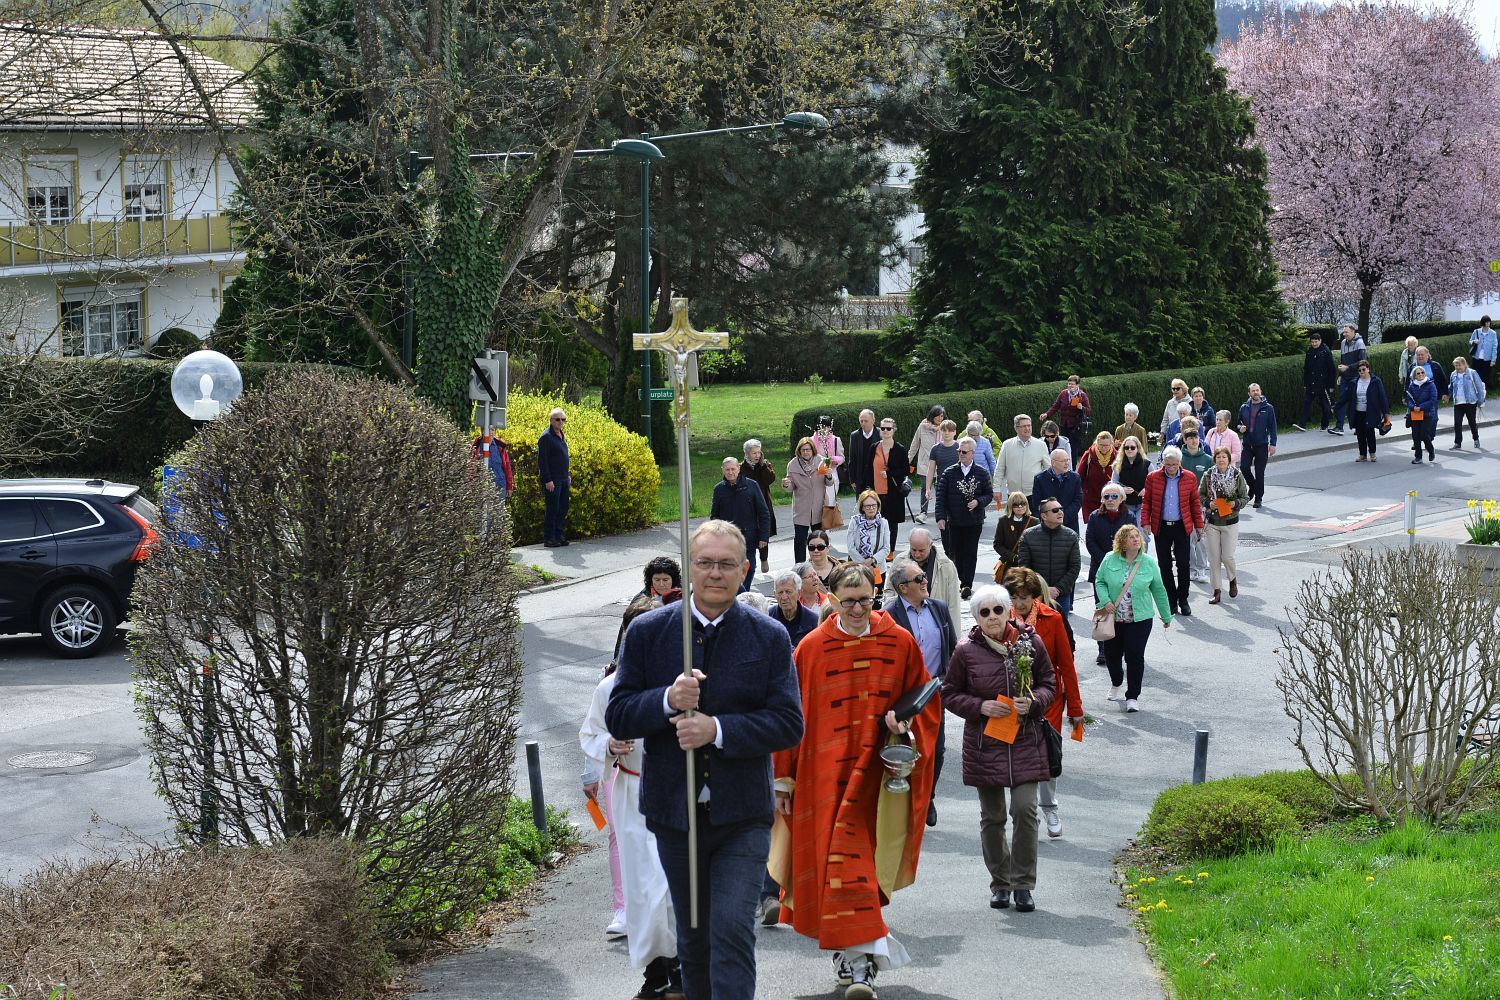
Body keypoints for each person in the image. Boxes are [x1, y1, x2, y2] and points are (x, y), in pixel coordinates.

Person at [606, 521, 804, 1000]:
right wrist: (667, 700)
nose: (716, 573)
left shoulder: (768, 635)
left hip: (742, 814)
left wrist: (717, 730)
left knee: (731, 930)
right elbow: (619, 714)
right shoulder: (649, 632)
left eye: (726, 564)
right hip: (675, 815)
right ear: (690, 568)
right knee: (693, 940)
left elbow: (787, 723)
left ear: (744, 569)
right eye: (706, 562)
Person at [772, 563, 941, 999]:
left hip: (878, 780)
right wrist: (783, 780)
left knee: (856, 866)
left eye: (865, 599)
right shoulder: (810, 648)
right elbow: (790, 714)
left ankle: (859, 961)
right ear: (831, 599)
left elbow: (926, 701)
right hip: (822, 777)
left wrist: (905, 725)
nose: (857, 609)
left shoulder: (899, 642)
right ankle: (856, 957)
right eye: (848, 601)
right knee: (835, 868)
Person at [581, 594, 683, 998]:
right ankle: (655, 972)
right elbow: (590, 732)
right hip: (631, 793)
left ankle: (680, 966)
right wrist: (609, 744)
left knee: (669, 885)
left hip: (676, 790)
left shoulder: (681, 685)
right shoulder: (610, 687)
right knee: (641, 888)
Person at [941, 585, 1055, 914]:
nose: (992, 617)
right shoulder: (965, 651)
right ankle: (1001, 882)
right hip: (985, 744)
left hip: (1025, 740)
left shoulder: (1029, 642)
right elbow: (949, 694)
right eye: (984, 612)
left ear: (1008, 611)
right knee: (992, 818)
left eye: (998, 610)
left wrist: (1033, 702)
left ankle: (1023, 884)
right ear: (977, 617)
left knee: (1025, 810)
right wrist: (981, 706)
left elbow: (1049, 683)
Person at [1002, 567, 1082, 839]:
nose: (1019, 603)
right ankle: (1024, 810)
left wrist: (1076, 708)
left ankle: (1049, 808)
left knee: (1047, 755)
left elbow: (1067, 666)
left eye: (1024, 597)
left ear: (1034, 596)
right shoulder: (1001, 619)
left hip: (1048, 699)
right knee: (1016, 755)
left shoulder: (1053, 618)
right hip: (1013, 698)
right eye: (1014, 597)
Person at [886, 559, 958, 827]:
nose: (925, 580)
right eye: (919, 579)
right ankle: (906, 798)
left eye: (924, 576)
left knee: (936, 750)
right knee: (905, 748)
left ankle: (928, 796)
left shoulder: (938, 608)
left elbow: (951, 647)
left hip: (935, 691)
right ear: (903, 588)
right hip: (904, 695)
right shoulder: (889, 614)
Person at [1092, 524, 1172, 713]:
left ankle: (1133, 696)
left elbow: (1159, 590)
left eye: (1137, 536)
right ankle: (1116, 681)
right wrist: (1106, 601)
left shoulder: (1148, 562)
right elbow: (1099, 581)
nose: (1136, 539)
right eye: (1131, 537)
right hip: (1114, 619)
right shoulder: (1109, 558)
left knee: (1134, 656)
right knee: (1112, 656)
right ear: (1122, 541)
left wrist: (1166, 615)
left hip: (1140, 619)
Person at [1139, 445, 1204, 617]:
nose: (1171, 468)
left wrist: (1199, 525)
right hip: (1161, 527)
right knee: (1164, 565)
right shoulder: (1153, 477)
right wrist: (1145, 522)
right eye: (1168, 464)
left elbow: (1195, 503)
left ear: (1179, 463)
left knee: (1183, 564)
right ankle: (1171, 600)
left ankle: (1183, 599)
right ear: (1163, 463)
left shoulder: (1189, 477)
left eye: (1174, 464)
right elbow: (1147, 501)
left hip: (1182, 526)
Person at [1013, 496, 1082, 647]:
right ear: (1044, 516)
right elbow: (1024, 567)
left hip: (1061, 595)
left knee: (1060, 633)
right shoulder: (1028, 535)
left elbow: (1075, 567)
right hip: (1035, 594)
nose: (1061, 512)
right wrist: (1042, 589)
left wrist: (1058, 589)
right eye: (1055, 510)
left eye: (1061, 509)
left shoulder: (1071, 536)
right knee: (1033, 634)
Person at [934, 437, 994, 600]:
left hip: (974, 521)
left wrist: (978, 502)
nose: (961, 454)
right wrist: (940, 517)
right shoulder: (949, 472)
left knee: (970, 552)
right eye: (959, 451)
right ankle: (961, 578)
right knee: (956, 552)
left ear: (973, 453)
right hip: (954, 521)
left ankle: (966, 584)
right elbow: (941, 497)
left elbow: (988, 494)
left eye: (964, 452)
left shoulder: (981, 472)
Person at [1083, 484, 1136, 666]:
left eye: (1114, 496)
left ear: (1121, 499)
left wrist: (1119, 561)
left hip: (1124, 571)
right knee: (1103, 608)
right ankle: (1103, 649)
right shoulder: (1094, 517)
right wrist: (1107, 561)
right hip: (1101, 571)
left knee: (1123, 610)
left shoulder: (1129, 517)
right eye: (1106, 497)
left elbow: (1133, 541)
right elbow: (1090, 541)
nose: (1110, 500)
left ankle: (1123, 648)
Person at [885, 527, 962, 636]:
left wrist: (955, 636)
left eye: (921, 551)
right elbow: (889, 590)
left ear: (930, 545)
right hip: (905, 622)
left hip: (934, 624)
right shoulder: (900, 560)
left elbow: (953, 604)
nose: (917, 554)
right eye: (913, 550)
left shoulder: (946, 565)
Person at [710, 457, 772, 592]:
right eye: (727, 469)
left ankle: (744, 594)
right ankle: (736, 595)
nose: (730, 472)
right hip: (728, 539)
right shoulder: (719, 489)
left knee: (750, 568)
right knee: (731, 570)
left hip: (749, 538)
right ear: (723, 470)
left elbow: (763, 513)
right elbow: (714, 517)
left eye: (733, 469)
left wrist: (764, 537)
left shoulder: (752, 485)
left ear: (738, 468)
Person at [1198, 447, 1250, 605]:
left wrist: (1236, 503)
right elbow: (1200, 494)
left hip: (1230, 522)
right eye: (1218, 457)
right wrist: (1208, 503)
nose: (1221, 460)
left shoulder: (1236, 475)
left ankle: (1232, 579)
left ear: (1228, 459)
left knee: (1227, 557)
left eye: (1224, 457)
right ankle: (1217, 591)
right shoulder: (1208, 475)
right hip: (1212, 522)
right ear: (1214, 459)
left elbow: (1245, 497)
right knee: (1213, 559)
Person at [785, 437, 834, 563]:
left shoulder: (821, 461)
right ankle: (800, 566)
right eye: (803, 450)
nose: (806, 452)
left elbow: (829, 483)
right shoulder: (793, 464)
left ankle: (821, 563)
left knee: (819, 540)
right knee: (800, 539)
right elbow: (790, 487)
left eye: (808, 449)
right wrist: (786, 484)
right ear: (799, 451)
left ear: (813, 450)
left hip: (819, 508)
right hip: (801, 509)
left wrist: (829, 476)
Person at [871, 416, 910, 552]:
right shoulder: (874, 447)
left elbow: (906, 470)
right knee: (876, 523)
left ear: (894, 430)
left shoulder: (899, 449)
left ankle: (890, 550)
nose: (885, 431)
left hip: (893, 492)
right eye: (883, 428)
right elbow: (868, 469)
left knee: (891, 523)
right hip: (876, 492)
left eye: (889, 428)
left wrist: (890, 473)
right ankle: (877, 549)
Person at [1236, 383, 1277, 509]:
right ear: (1249, 393)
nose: (1255, 392)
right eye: (1253, 391)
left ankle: (1258, 498)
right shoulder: (1244, 407)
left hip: (1261, 444)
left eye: (1257, 390)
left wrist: (1273, 444)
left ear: (1260, 391)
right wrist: (1240, 428)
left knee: (1259, 473)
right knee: (1244, 467)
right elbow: (1238, 423)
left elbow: (1273, 426)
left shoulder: (1268, 408)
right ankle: (1253, 487)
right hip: (1248, 444)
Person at [847, 490, 893, 600]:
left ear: (878, 506)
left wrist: (872, 560)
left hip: (878, 569)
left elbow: (886, 548)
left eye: (873, 505)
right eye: (867, 506)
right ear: (862, 507)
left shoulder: (883, 523)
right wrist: (864, 563)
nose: (871, 508)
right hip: (857, 569)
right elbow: (851, 547)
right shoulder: (854, 522)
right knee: (858, 600)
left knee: (876, 602)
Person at [741, 439, 779, 573]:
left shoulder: (765, 464)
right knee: (748, 534)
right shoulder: (741, 468)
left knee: (764, 533)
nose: (757, 455)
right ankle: (748, 562)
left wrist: (763, 466)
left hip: (763, 504)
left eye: (759, 452)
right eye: (754, 453)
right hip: (746, 506)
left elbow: (770, 480)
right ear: (747, 453)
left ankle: (764, 559)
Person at [994, 413, 1049, 502]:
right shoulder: (1007, 445)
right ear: (1016, 428)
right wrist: (996, 488)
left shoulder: (1041, 445)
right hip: (1013, 494)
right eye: (1023, 426)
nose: (1027, 428)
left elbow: (1048, 469)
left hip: (1034, 493)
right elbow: (1000, 468)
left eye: (1029, 425)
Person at [927, 420, 962, 553]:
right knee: (942, 517)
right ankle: (947, 548)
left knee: (957, 517)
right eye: (944, 430)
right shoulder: (936, 449)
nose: (947, 433)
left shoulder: (959, 447)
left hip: (959, 488)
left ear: (955, 432)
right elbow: (931, 469)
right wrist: (928, 488)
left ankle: (957, 546)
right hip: (942, 488)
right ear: (940, 432)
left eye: (950, 430)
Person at [538, 407, 571, 547]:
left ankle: (558, 535)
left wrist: (567, 475)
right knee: (552, 509)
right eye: (557, 419)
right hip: (553, 480)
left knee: (563, 508)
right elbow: (542, 461)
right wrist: (547, 480)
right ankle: (549, 538)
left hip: (563, 479)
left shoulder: (561, 435)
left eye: (563, 419)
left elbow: (563, 458)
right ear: (551, 420)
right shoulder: (546, 437)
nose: (560, 422)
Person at [1031, 448, 1083, 537]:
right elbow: (1037, 504)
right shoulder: (1040, 479)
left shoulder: (1075, 478)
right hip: (1047, 526)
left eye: (1068, 460)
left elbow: (1078, 501)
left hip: (1070, 525)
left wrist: (1062, 517)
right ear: (1053, 462)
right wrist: (1050, 518)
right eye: (1063, 461)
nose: (1067, 463)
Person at [908, 405, 945, 524]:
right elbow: (915, 444)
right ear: (932, 415)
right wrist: (907, 461)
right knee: (925, 488)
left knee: (940, 489)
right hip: (925, 464)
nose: (940, 418)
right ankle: (923, 513)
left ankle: (941, 513)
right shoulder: (922, 427)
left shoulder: (945, 428)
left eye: (942, 416)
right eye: (938, 415)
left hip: (941, 464)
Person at [1348, 359, 1391, 463]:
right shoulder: (1354, 382)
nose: (1362, 372)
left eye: (1364, 369)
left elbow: (1382, 397)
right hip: (1358, 412)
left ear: (1368, 369)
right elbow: (1346, 396)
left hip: (1370, 412)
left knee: (1369, 433)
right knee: (1360, 434)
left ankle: (1372, 453)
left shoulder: (1375, 381)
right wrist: (1336, 407)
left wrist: (1386, 413)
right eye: (1359, 370)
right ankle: (1362, 455)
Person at [1328, 325, 1368, 435]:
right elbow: (1343, 361)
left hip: (1356, 377)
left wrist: (1348, 368)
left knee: (1355, 402)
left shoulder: (1360, 343)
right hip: (1345, 377)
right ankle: (1339, 427)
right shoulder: (1343, 343)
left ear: (1353, 331)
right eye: (1343, 332)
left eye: (1346, 332)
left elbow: (1362, 362)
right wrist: (1341, 375)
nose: (1344, 334)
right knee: (1342, 400)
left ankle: (1359, 427)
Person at [1294, 331, 1337, 432]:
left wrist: (1331, 385)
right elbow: (1306, 368)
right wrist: (1306, 383)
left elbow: (1332, 369)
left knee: (1325, 406)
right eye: (1312, 342)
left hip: (1323, 383)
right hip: (1311, 382)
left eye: (1316, 342)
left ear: (1320, 341)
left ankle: (1324, 425)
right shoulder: (1309, 351)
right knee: (1307, 402)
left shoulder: (1326, 352)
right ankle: (1302, 424)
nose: (1314, 344)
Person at [1041, 374, 1092, 457]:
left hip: (1075, 427)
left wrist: (1082, 408)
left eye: (1072, 384)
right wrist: (1046, 414)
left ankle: (1073, 465)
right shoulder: (1063, 393)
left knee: (1073, 449)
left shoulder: (1082, 395)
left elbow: (1088, 411)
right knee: (1062, 446)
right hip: (1063, 425)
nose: (1070, 386)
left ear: (1077, 385)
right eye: (1069, 384)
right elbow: (1055, 406)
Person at [992, 492, 1035, 587]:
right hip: (1009, 566)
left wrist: (1026, 558)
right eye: (1016, 504)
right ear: (1010, 506)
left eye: (1023, 503)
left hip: (1028, 566)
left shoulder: (1034, 521)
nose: (1020, 507)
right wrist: (1013, 557)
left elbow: (1038, 545)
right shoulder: (1003, 521)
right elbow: (997, 544)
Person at [769, 569, 820, 650]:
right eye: (780, 592)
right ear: (775, 594)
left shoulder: (813, 620)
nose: (784, 597)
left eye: (788, 592)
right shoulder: (768, 617)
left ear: (799, 593)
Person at [1075, 430, 1118, 523]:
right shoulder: (1089, 455)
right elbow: (1079, 475)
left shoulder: (1116, 456)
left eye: (1106, 445)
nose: (1104, 448)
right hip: (1091, 498)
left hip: (1110, 498)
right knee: (1093, 525)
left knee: (1108, 524)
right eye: (1101, 445)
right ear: (1097, 443)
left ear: (1111, 444)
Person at [1405, 364, 1438, 464]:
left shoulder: (1431, 384)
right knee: (1415, 435)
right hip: (1415, 413)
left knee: (1424, 434)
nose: (1421, 374)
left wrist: (1421, 407)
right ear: (1415, 375)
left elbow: (1433, 399)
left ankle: (1431, 450)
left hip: (1427, 413)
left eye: (1422, 372)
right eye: (1418, 373)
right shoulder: (1412, 385)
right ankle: (1418, 457)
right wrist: (1413, 407)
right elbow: (1409, 399)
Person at [1450, 356, 1485, 450]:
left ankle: (1476, 439)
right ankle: (1457, 443)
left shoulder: (1472, 373)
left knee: (1472, 422)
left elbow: (1479, 387)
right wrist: (1447, 395)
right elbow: (1451, 387)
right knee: (1457, 423)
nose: (1458, 367)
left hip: (1470, 402)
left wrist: (1480, 401)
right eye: (1456, 366)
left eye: (1459, 365)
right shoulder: (1453, 374)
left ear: (1464, 364)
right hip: (1458, 403)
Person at [471, 431, 514, 499]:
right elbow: (471, 467)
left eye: (493, 429)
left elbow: (507, 467)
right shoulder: (476, 445)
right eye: (488, 429)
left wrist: (509, 486)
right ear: (483, 430)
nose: (490, 432)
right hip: (482, 488)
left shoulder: (500, 445)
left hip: (500, 486)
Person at [1112, 435, 1149, 513]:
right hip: (1125, 504)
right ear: (1123, 449)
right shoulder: (1118, 465)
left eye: (1132, 447)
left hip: (1143, 504)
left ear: (1138, 448)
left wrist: (1147, 489)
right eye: (1126, 447)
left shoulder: (1147, 464)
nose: (1129, 450)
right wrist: (1121, 490)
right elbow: (1113, 484)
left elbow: (1155, 481)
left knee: (1139, 522)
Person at [848, 409, 880, 495]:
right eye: (861, 421)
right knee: (862, 502)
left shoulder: (881, 434)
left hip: (877, 478)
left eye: (866, 421)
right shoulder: (855, 436)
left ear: (873, 421)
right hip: (860, 479)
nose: (863, 423)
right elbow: (852, 459)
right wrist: (852, 480)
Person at [1471, 316, 1497, 390]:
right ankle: (1476, 390)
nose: (1488, 323)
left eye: (1489, 322)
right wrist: (1474, 341)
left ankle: (1483, 392)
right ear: (1483, 322)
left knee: (1485, 376)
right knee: (1476, 375)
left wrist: (1493, 360)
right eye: (1486, 322)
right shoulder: (1476, 331)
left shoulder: (1493, 333)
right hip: (1476, 357)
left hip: (1487, 359)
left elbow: (1494, 347)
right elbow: (1470, 341)